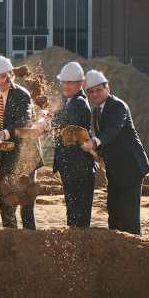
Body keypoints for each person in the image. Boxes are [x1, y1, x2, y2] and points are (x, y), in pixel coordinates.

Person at [82, 70, 149, 235]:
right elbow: (106, 137)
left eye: (99, 90)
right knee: (114, 213)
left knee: (129, 216)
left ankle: (134, 251)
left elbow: (112, 130)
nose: (95, 94)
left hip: (131, 167)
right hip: (116, 169)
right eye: (91, 92)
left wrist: (94, 142)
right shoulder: (98, 110)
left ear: (108, 88)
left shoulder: (118, 106)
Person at [0, 55, 43, 230]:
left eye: (3, 76)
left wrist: (6, 132)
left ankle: (29, 240)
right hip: (8, 150)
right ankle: (10, 237)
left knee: (26, 202)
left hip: (26, 152)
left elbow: (24, 120)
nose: (0, 80)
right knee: (6, 198)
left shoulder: (22, 95)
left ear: (11, 75)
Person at [52, 61, 96, 227]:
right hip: (70, 167)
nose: (65, 86)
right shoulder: (67, 100)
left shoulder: (79, 104)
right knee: (73, 213)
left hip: (79, 169)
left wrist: (46, 121)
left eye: (70, 83)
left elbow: (61, 125)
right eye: (63, 82)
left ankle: (81, 249)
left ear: (81, 84)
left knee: (79, 216)